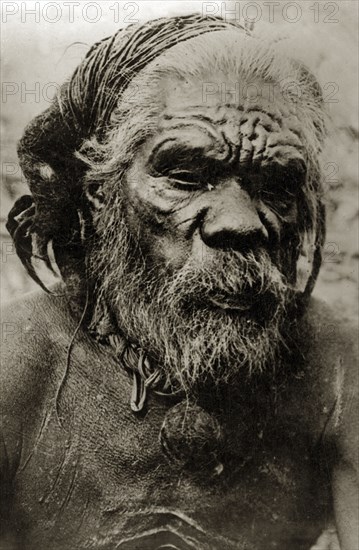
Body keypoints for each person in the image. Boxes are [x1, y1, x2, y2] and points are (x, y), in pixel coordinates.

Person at [1, 14, 357, 550]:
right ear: (100, 192)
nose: (239, 221)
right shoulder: (14, 365)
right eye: (187, 175)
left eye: (275, 184)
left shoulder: (332, 368)